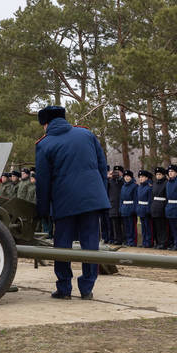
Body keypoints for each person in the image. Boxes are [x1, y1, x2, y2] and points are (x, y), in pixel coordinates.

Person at [34, 106, 110, 300]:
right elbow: (102, 166)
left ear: (45, 124)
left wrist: (43, 209)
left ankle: (64, 288)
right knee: (90, 244)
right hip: (92, 199)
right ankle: (87, 288)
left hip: (64, 201)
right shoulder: (86, 134)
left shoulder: (45, 144)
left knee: (62, 245)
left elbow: (43, 181)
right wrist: (99, 193)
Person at [164, 164, 177, 250]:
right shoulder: (168, 183)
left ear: (176, 173)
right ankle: (176, 243)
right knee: (173, 228)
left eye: (172, 171)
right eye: (169, 171)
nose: (170, 173)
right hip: (170, 207)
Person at [150, 167, 169, 249]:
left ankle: (163, 242)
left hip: (162, 206)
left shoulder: (166, 183)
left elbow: (167, 196)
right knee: (157, 227)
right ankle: (158, 242)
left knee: (163, 227)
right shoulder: (154, 183)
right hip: (155, 207)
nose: (158, 176)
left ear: (163, 175)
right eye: (157, 174)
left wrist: (164, 207)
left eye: (159, 174)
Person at [119, 170, 137, 246]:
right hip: (124, 208)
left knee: (131, 226)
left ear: (131, 177)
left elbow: (136, 198)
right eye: (125, 176)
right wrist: (120, 207)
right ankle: (127, 240)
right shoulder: (123, 186)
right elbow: (121, 199)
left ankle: (132, 241)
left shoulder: (134, 186)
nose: (126, 178)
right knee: (126, 226)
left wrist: (134, 209)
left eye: (128, 176)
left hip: (130, 208)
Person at [107, 166, 124, 245]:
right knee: (114, 224)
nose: (117, 173)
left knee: (124, 224)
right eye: (115, 171)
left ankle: (124, 239)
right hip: (113, 205)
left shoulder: (124, 181)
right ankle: (116, 239)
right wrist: (107, 177)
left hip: (122, 205)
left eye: (118, 171)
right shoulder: (110, 181)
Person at [135, 171, 153, 248]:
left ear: (146, 178)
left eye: (142, 177)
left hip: (146, 209)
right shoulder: (139, 187)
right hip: (141, 209)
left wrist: (148, 210)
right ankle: (144, 241)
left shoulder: (149, 187)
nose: (141, 178)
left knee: (147, 227)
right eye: (140, 177)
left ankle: (148, 242)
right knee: (143, 228)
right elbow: (137, 199)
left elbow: (150, 200)